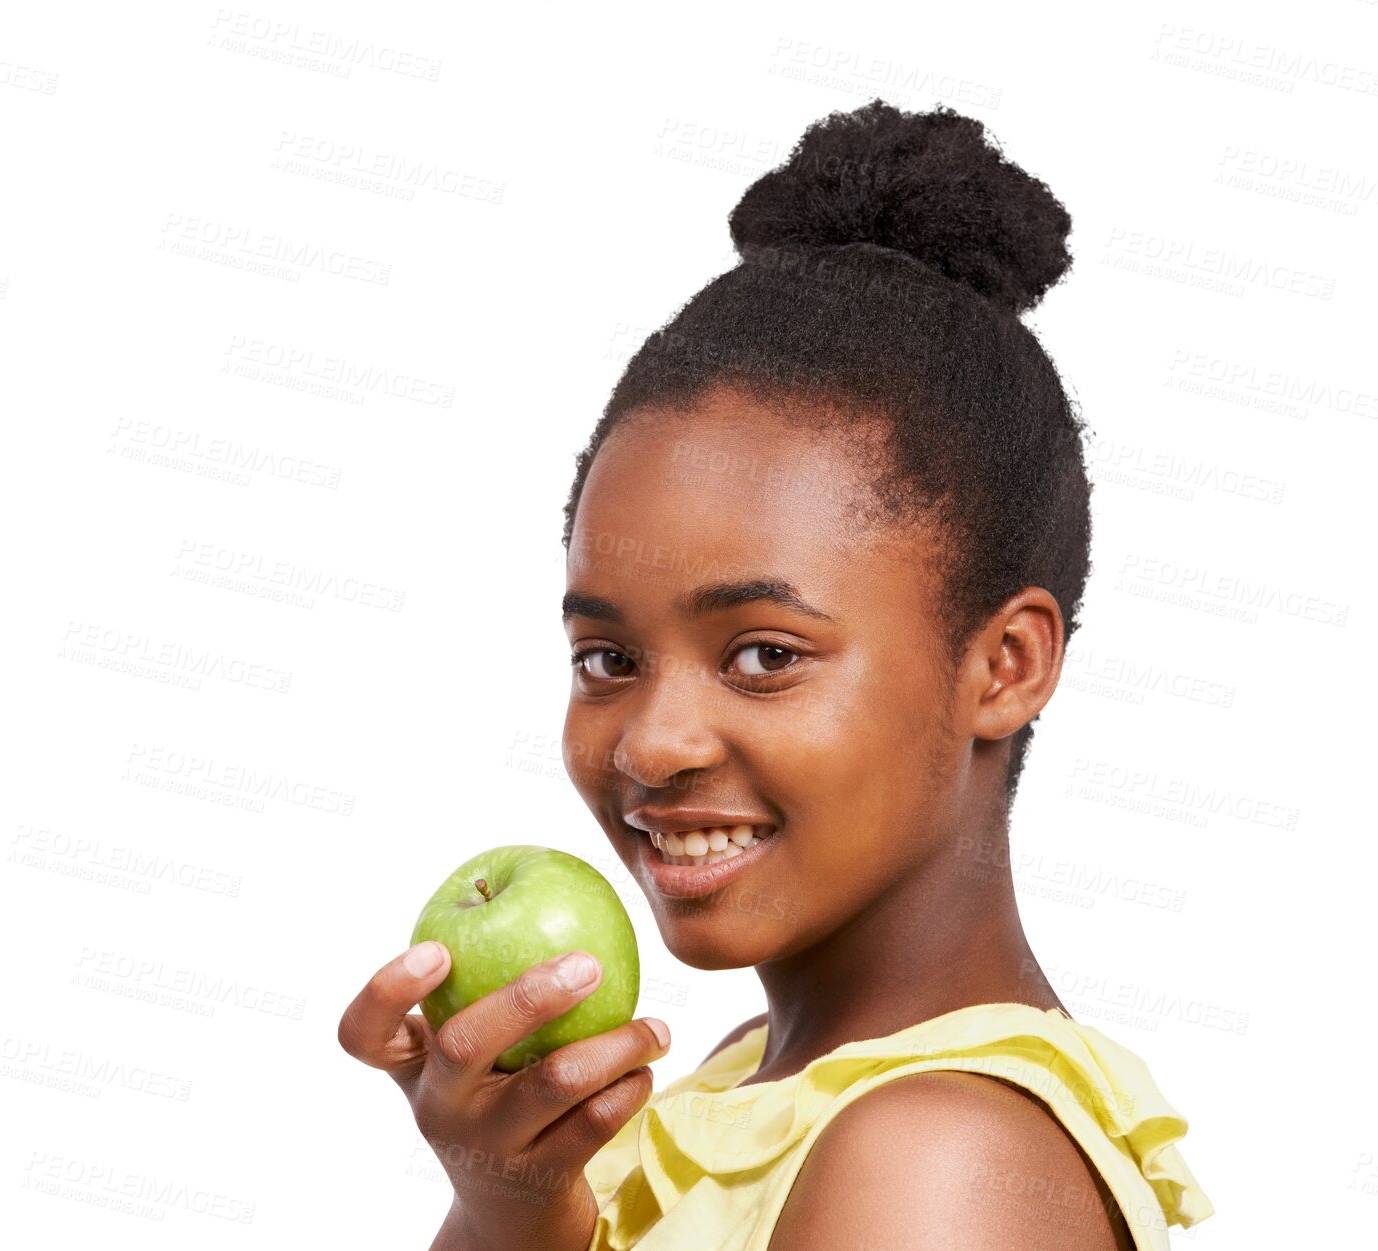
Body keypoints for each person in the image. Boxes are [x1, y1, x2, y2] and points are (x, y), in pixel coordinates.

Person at [340, 97, 1215, 1250]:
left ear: (1002, 665)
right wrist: (509, 1205)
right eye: (607, 657)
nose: (650, 745)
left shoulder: (935, 1164)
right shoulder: (755, 1084)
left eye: (762, 655)